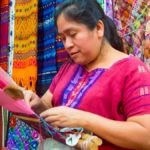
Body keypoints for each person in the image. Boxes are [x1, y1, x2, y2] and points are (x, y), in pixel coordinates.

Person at [23, 0, 150, 149]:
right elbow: (50, 109)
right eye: (62, 38)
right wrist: (37, 105)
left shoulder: (132, 70)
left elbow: (145, 137)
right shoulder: (69, 67)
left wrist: (83, 119)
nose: (67, 45)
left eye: (72, 34)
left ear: (98, 28)